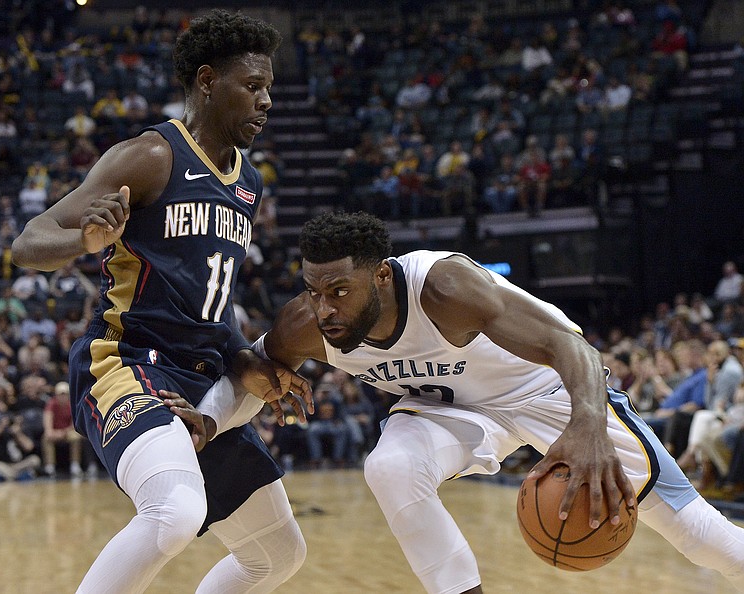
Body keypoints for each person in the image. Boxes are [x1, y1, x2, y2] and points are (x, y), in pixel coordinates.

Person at [259, 211, 744, 593]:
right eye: (314, 291)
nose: (325, 307)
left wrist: (589, 424)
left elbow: (572, 348)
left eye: (339, 291)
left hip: (547, 389)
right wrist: (226, 413)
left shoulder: (443, 288)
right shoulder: (308, 325)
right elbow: (249, 365)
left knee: (699, 536)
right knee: (390, 467)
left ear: (383, 276)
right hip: (452, 410)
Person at [11, 11, 312, 594]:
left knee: (277, 556)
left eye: (268, 87)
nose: (267, 101)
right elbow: (27, 243)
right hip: (127, 362)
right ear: (207, 81)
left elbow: (207, 302)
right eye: (253, 86)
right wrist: (84, 240)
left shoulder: (245, 181)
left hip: (202, 373)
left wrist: (246, 361)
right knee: (174, 514)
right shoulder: (152, 156)